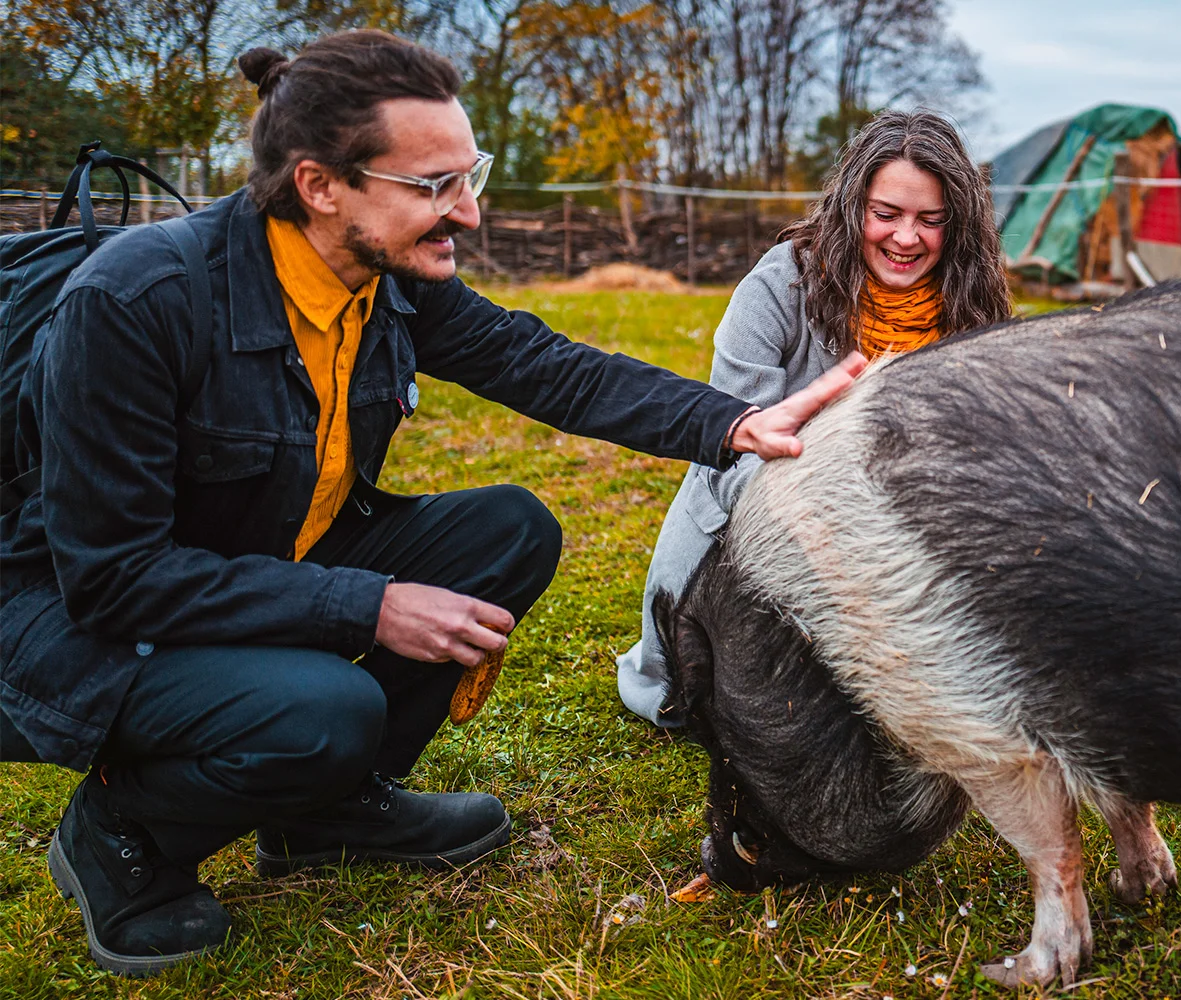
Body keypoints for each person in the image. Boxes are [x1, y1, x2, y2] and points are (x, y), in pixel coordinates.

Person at [0, 30, 861, 976]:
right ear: (320, 185)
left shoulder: (387, 278)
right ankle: (121, 834)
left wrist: (734, 424)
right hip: (72, 618)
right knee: (324, 712)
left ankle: (326, 813)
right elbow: (114, 579)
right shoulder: (139, 301)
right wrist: (369, 605)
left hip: (254, 561)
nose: (471, 211)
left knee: (509, 532)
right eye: (434, 185)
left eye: (470, 175)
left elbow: (543, 365)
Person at [615, 110, 1011, 726]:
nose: (907, 238)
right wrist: (847, 538)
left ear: (957, 225)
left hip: (911, 542)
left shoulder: (973, 308)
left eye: (931, 220)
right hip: (761, 529)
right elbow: (732, 451)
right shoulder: (779, 287)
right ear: (854, 207)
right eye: (887, 214)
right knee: (738, 708)